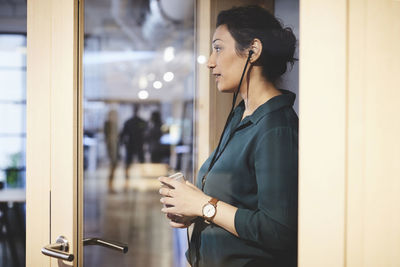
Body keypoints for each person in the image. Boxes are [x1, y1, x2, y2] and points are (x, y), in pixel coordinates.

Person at [159, 5, 298, 267]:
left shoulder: (276, 127)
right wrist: (191, 208)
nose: (211, 61)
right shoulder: (240, 116)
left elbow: (278, 231)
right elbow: (236, 206)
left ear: (253, 51)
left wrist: (203, 206)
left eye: (219, 48)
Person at [120, 105, 147, 190]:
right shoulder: (129, 121)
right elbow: (123, 134)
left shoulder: (141, 121)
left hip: (138, 145)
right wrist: (123, 143)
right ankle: (127, 178)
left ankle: (142, 176)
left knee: (141, 161)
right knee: (128, 162)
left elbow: (146, 132)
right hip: (131, 145)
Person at [104, 109, 119, 192]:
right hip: (111, 149)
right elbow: (108, 138)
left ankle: (111, 185)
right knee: (112, 167)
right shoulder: (108, 124)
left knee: (114, 167)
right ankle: (110, 185)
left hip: (115, 148)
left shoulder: (115, 124)